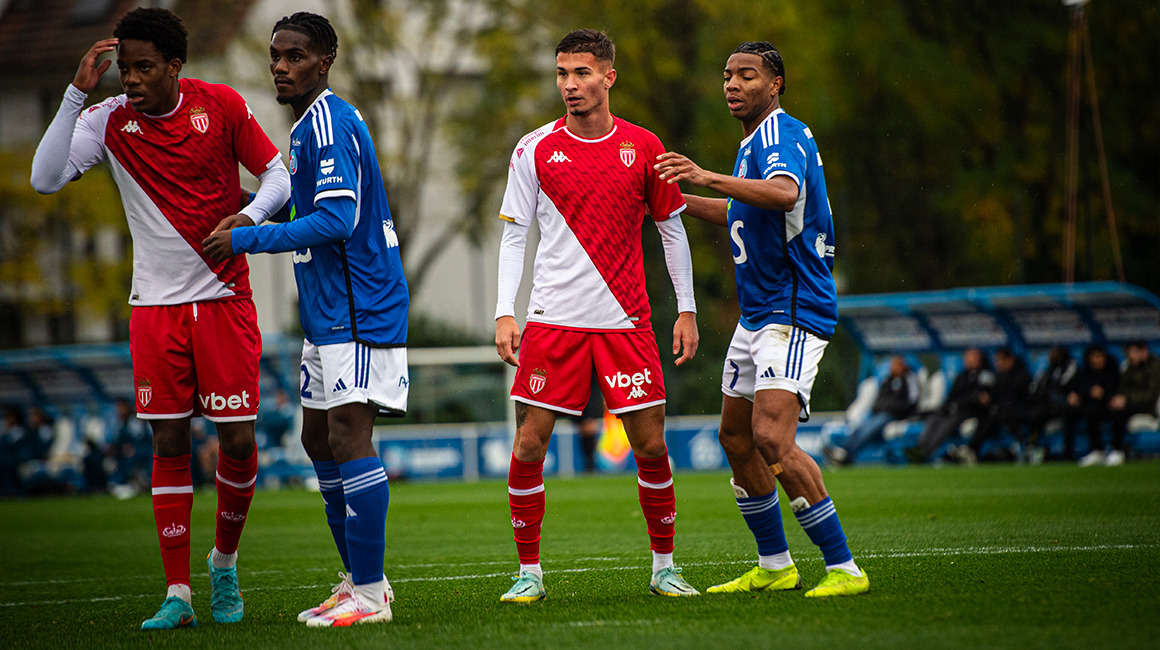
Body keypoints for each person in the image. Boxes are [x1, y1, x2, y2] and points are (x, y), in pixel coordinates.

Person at [30, 7, 290, 630]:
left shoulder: (221, 105)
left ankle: (223, 564)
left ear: (175, 66)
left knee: (237, 442)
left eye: (144, 67)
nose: (131, 79)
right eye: (125, 68)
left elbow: (277, 177)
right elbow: (43, 179)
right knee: (167, 441)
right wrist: (74, 94)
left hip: (223, 299)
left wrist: (249, 220)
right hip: (154, 308)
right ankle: (178, 593)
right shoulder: (107, 119)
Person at [203, 11, 408, 627]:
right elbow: (304, 206)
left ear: (324, 62)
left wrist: (247, 238)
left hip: (359, 306)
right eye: (275, 56)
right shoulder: (304, 130)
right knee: (316, 439)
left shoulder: (327, 122)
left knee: (347, 436)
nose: (280, 67)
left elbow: (337, 220)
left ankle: (370, 595)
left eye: (294, 56)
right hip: (327, 311)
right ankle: (359, 581)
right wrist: (245, 204)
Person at [493, 29, 700, 603]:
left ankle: (664, 568)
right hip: (552, 319)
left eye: (581, 72)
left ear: (609, 77)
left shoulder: (644, 145)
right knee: (529, 445)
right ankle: (529, 573)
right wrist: (505, 312)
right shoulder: (533, 148)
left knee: (651, 446)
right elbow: (514, 236)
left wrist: (686, 308)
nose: (570, 84)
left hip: (626, 321)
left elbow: (672, 230)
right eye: (562, 73)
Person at [654, 41, 868, 597]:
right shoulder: (753, 143)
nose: (732, 84)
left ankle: (844, 568)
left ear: (775, 85)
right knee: (735, 437)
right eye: (727, 75)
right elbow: (739, 210)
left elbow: (783, 193)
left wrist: (703, 176)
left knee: (772, 437)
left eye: (747, 75)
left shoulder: (780, 133)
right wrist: (669, 201)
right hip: (758, 314)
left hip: (791, 310)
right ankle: (775, 565)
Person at [824, 355, 918, 466]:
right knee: (863, 427)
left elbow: (912, 402)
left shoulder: (909, 379)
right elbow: (881, 399)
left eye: (896, 364)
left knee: (871, 426)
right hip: (880, 414)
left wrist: (896, 410)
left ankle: (845, 453)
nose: (893, 367)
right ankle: (844, 452)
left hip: (895, 415)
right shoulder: (888, 380)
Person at [905, 348, 994, 463]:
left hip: (970, 411)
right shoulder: (962, 376)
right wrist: (949, 406)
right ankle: (920, 448)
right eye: (967, 356)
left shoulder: (985, 375)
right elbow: (953, 395)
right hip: (955, 409)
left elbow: (982, 398)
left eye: (972, 356)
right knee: (934, 419)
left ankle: (927, 452)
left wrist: (961, 403)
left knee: (947, 424)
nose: (968, 359)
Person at [951, 347, 1033, 465]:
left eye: (999, 360)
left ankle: (972, 449)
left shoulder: (1021, 376)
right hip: (1001, 413)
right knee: (989, 416)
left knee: (992, 417)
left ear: (1009, 359)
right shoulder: (1001, 376)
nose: (997, 364)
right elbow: (995, 396)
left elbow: (1019, 399)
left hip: (1016, 413)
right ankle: (971, 449)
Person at [1062, 344, 1119, 465]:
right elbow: (1076, 387)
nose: (1097, 360)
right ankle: (1068, 453)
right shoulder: (1085, 371)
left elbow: (1116, 388)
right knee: (1069, 411)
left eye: (1100, 356)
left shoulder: (1112, 371)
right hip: (1087, 404)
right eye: (1094, 357)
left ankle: (1115, 450)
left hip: (1106, 405)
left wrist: (1104, 393)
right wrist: (1074, 394)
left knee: (1110, 412)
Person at [1105, 341, 1159, 466]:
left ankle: (1118, 450)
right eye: (1129, 353)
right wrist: (1118, 398)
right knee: (1100, 410)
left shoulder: (1155, 367)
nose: (1131, 356)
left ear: (1144, 351)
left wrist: (1127, 400)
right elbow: (1122, 388)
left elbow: (1150, 395)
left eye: (1134, 352)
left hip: (1147, 407)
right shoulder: (1129, 367)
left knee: (1119, 413)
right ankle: (1101, 450)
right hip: (1130, 404)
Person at [1023, 345, 1078, 464]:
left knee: (1069, 414)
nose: (1052, 355)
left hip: (1066, 404)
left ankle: (1068, 452)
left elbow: (1061, 385)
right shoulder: (1048, 369)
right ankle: (1033, 448)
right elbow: (1037, 388)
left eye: (1055, 351)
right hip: (1049, 406)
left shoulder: (1070, 366)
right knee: (1034, 415)